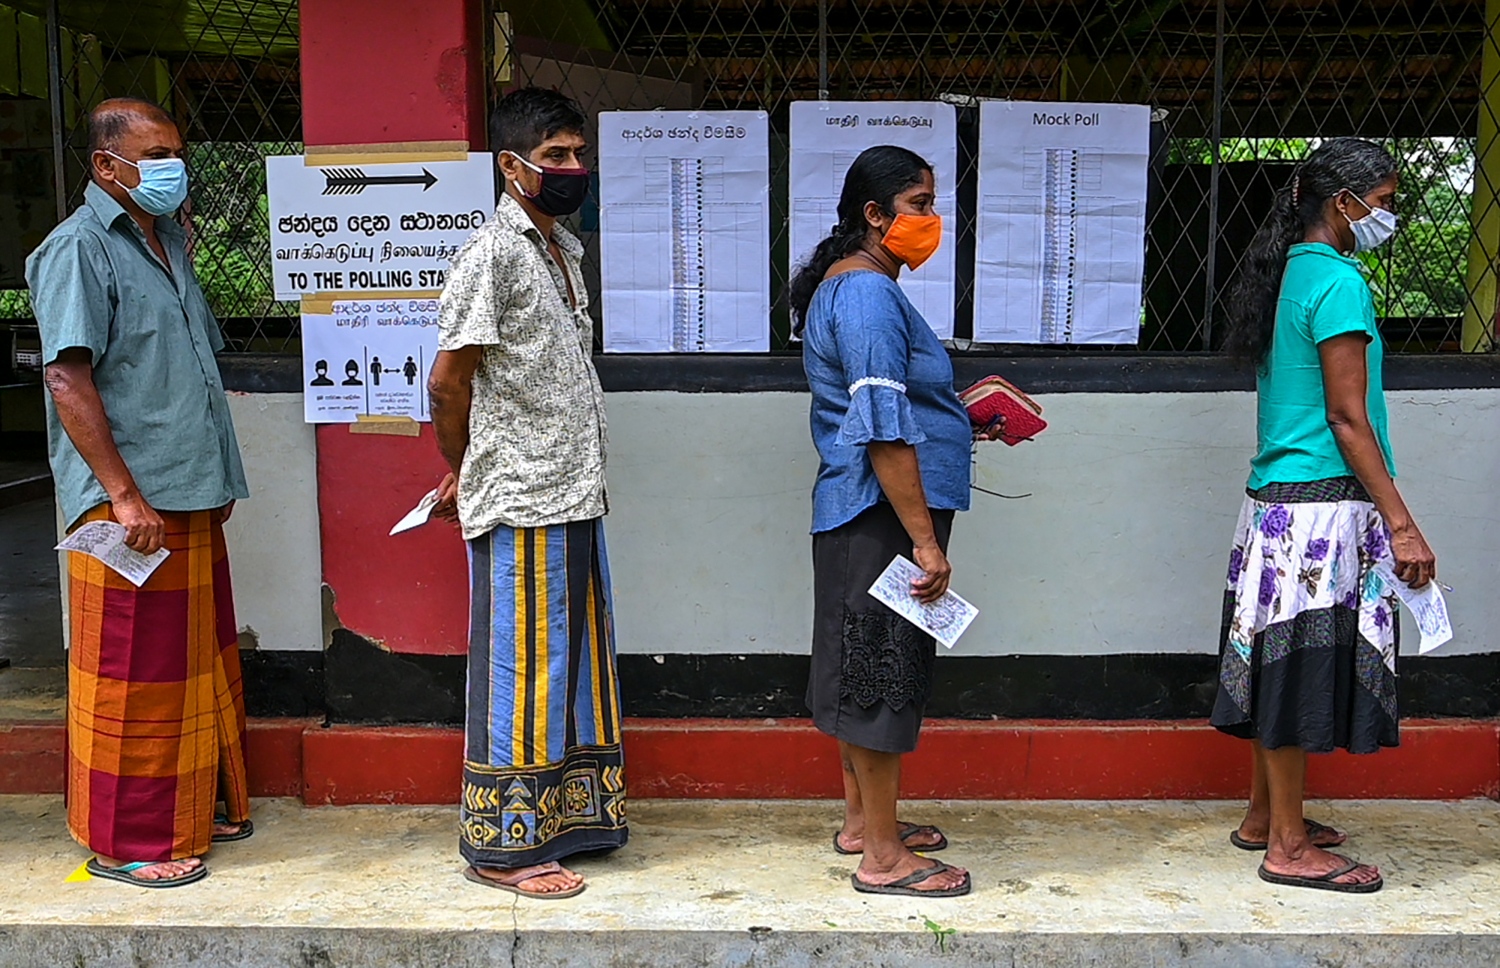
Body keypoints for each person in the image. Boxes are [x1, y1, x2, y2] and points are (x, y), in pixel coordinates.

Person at [26, 97, 253, 888]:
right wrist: (122, 495)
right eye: (154, 155)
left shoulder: (166, 243)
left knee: (193, 664)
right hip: (131, 509)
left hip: (185, 492)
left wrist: (217, 475)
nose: (171, 168)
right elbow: (67, 376)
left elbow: (190, 366)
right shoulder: (78, 249)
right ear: (106, 166)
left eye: (175, 152)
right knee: (136, 678)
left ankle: (199, 806)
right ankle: (131, 841)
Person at [1214, 138, 1436, 894]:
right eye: (1385, 200)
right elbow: (1347, 417)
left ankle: (1260, 815)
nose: (1390, 214)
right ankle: (1286, 845)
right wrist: (1400, 521)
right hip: (1320, 513)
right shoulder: (1337, 282)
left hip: (1273, 507)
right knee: (1296, 670)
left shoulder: (1289, 273)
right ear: (1344, 203)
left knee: (1277, 659)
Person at [428, 87, 623, 900]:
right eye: (556, 158)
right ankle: (502, 849)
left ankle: (567, 818)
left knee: (575, 668)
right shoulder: (493, 254)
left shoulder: (560, 250)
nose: (574, 169)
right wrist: (464, 463)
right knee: (523, 671)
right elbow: (449, 381)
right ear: (512, 168)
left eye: (580, 153)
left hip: (574, 493)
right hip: (523, 500)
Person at [788, 145, 978, 899]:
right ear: (875, 215)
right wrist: (925, 540)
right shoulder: (866, 296)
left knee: (866, 667)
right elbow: (883, 429)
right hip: (882, 518)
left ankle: (865, 823)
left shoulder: (858, 288)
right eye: (919, 205)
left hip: (867, 514)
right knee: (878, 676)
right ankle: (885, 859)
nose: (932, 221)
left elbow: (901, 409)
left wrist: (962, 418)